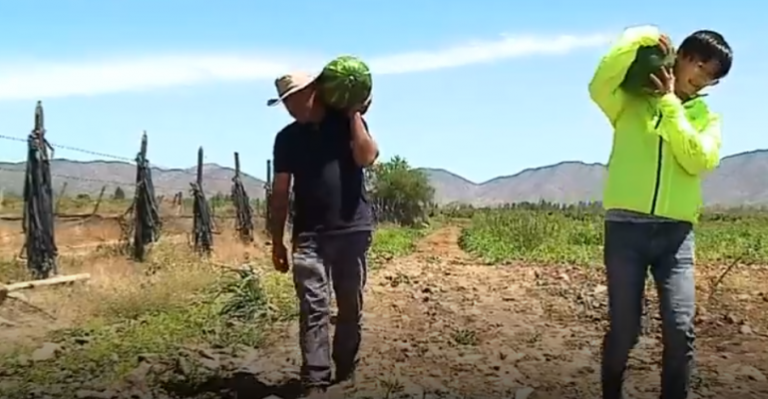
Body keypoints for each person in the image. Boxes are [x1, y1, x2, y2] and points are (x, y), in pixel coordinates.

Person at [588, 27, 732, 399]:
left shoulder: (707, 119)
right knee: (624, 330)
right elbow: (599, 81)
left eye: (710, 75)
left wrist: (670, 105)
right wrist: (642, 35)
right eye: (698, 64)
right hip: (626, 231)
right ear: (679, 56)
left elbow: (698, 159)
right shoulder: (629, 102)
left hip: (676, 237)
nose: (700, 78)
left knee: (680, 327)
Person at [267, 72, 378, 399]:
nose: (289, 106)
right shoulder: (286, 138)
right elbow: (280, 193)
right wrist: (277, 239)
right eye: (285, 101)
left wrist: (354, 113)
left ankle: (345, 366)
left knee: (349, 306)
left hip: (352, 230)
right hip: (309, 236)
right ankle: (315, 380)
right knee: (313, 307)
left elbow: (366, 157)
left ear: (314, 91)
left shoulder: (347, 124)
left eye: (294, 97)